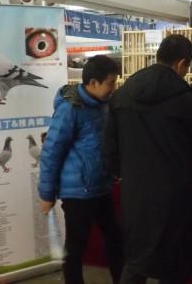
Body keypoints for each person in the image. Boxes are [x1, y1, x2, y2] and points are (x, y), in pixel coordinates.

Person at [102, 34, 192, 284]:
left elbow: (108, 149)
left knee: (136, 261)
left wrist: (124, 173)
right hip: (176, 197)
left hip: (136, 193)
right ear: (182, 63)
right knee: (174, 265)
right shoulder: (186, 99)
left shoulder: (122, 95)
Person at [38, 55, 124, 284]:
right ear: (93, 82)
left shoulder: (104, 105)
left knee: (116, 238)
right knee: (76, 248)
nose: (113, 88)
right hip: (78, 192)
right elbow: (51, 151)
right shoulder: (70, 109)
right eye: (110, 83)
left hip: (102, 187)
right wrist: (47, 194)